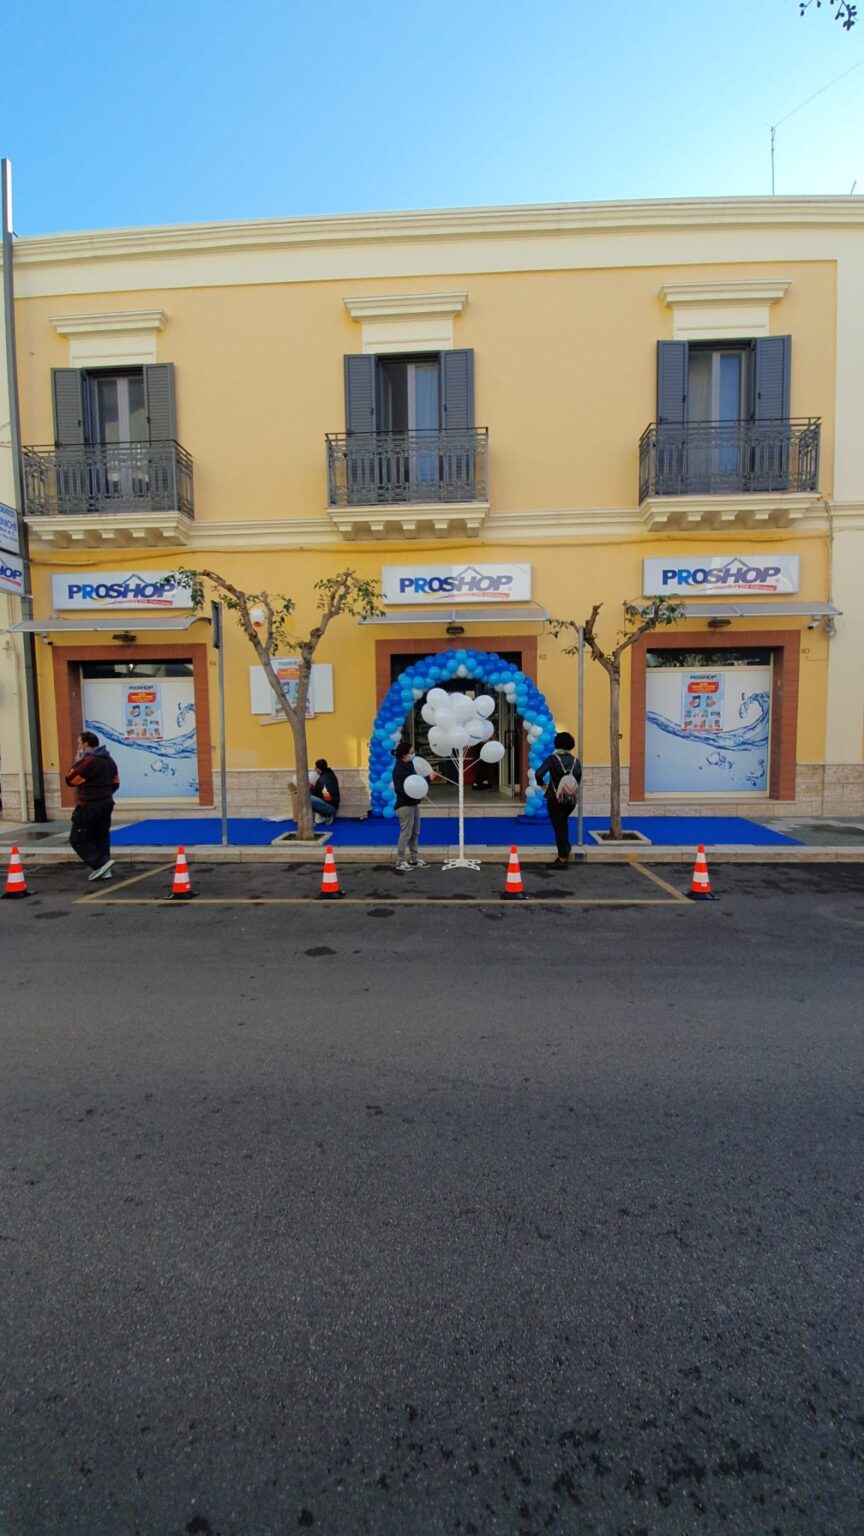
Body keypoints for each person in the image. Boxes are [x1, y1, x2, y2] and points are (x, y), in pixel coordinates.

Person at [65, 730, 120, 881]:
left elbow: (70, 779)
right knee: (101, 836)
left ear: (86, 744)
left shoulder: (88, 761)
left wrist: (76, 762)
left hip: (89, 805)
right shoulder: (109, 760)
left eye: (79, 743)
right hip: (106, 803)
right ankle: (105, 869)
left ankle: (100, 863)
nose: (78, 746)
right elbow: (116, 783)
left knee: (78, 838)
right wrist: (105, 794)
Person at [535, 730, 582, 867]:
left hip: (555, 799)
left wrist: (542, 785)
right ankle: (566, 847)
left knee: (559, 827)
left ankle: (562, 858)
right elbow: (577, 780)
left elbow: (538, 774)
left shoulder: (553, 759)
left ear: (557, 744)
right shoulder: (576, 761)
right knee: (563, 823)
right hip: (571, 800)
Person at [392, 740, 441, 871]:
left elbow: (415, 783)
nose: (413, 754)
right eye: (411, 752)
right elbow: (401, 789)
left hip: (413, 803)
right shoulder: (399, 770)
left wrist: (420, 792)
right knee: (406, 833)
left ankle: (414, 858)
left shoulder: (409, 764)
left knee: (415, 832)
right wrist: (427, 780)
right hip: (404, 805)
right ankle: (400, 861)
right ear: (404, 755)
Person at [310, 759, 340, 825]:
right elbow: (325, 792)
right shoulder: (330, 775)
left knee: (308, 798)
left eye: (316, 768)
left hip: (330, 806)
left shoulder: (323, 780)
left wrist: (311, 789)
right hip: (333, 804)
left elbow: (326, 795)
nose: (315, 770)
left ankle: (327, 815)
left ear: (319, 769)